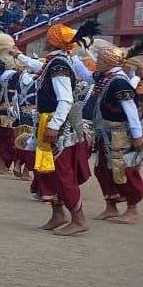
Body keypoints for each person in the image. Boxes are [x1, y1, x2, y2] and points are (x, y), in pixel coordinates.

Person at [30, 23, 93, 236]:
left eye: (48, 37)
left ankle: (79, 218)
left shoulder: (58, 65)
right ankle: (58, 214)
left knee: (62, 171)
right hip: (49, 122)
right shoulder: (56, 62)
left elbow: (65, 99)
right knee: (47, 170)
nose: (45, 40)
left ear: (53, 41)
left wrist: (54, 125)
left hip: (56, 125)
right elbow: (34, 66)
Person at [85, 44, 142, 224]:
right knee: (101, 169)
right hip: (104, 132)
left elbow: (130, 109)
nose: (97, 62)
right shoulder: (105, 77)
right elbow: (85, 74)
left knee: (123, 170)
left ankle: (132, 208)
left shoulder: (118, 81)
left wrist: (137, 134)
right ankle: (111, 205)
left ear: (109, 61)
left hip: (119, 134)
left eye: (101, 60)